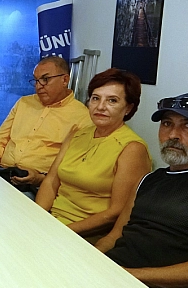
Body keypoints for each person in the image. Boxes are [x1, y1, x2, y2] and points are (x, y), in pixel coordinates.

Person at [96, 93, 188, 288]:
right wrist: (89, 260)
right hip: (113, 282)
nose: (173, 135)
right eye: (167, 124)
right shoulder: (148, 180)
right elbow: (114, 236)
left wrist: (128, 275)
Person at [35, 68, 151, 243]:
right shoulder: (77, 134)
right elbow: (51, 181)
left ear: (128, 108)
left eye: (112, 100)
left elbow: (117, 212)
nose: (100, 107)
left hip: (87, 234)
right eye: (96, 98)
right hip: (52, 221)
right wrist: (37, 218)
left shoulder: (132, 148)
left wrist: (61, 231)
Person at [0, 56, 92, 196]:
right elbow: (0, 139)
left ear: (65, 80)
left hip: (38, 185)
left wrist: (40, 178)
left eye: (45, 79)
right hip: (1, 171)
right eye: (36, 80)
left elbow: (73, 167)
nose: (38, 86)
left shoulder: (82, 117)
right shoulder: (24, 103)